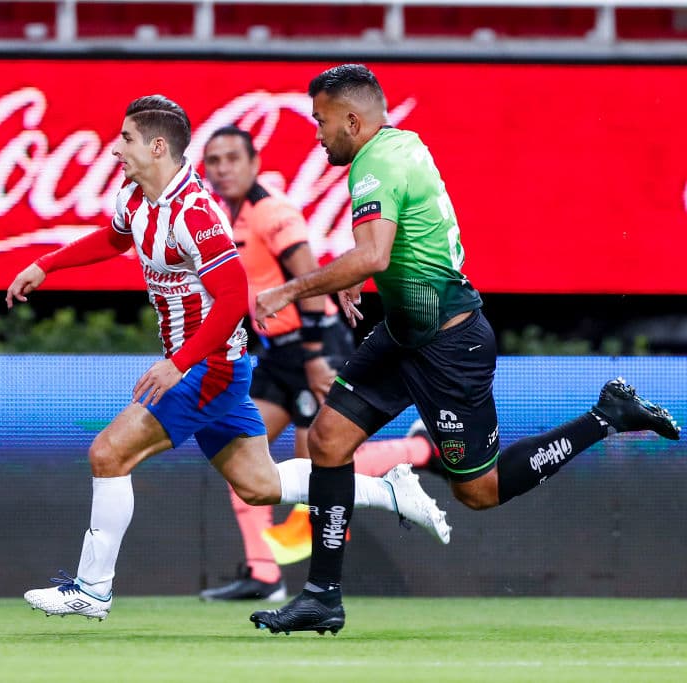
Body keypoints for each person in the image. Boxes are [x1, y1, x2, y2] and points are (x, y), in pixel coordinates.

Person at [248, 64, 682, 635]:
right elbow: (390, 247)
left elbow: (377, 255)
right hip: (406, 334)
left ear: (353, 121)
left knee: (479, 492)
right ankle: (322, 597)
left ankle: (607, 415)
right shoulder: (398, 146)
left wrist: (291, 287)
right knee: (329, 439)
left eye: (322, 122)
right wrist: (355, 269)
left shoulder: (375, 165)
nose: (317, 133)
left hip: (450, 345)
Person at [7, 94, 451, 621]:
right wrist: (46, 265)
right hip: (211, 366)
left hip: (207, 368)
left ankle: (91, 590)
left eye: (125, 139)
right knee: (259, 486)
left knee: (108, 454)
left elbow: (233, 299)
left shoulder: (196, 213)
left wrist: (180, 363)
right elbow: (112, 239)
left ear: (155, 146)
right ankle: (389, 491)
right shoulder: (137, 200)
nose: (114, 150)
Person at [197, 126, 446, 602]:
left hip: (313, 346)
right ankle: (264, 573)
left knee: (323, 458)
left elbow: (309, 281)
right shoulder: (227, 216)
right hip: (275, 355)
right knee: (240, 453)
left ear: (254, 164)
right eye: (214, 160)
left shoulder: (272, 212)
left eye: (232, 158)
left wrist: (314, 357)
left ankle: (417, 452)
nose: (222, 168)